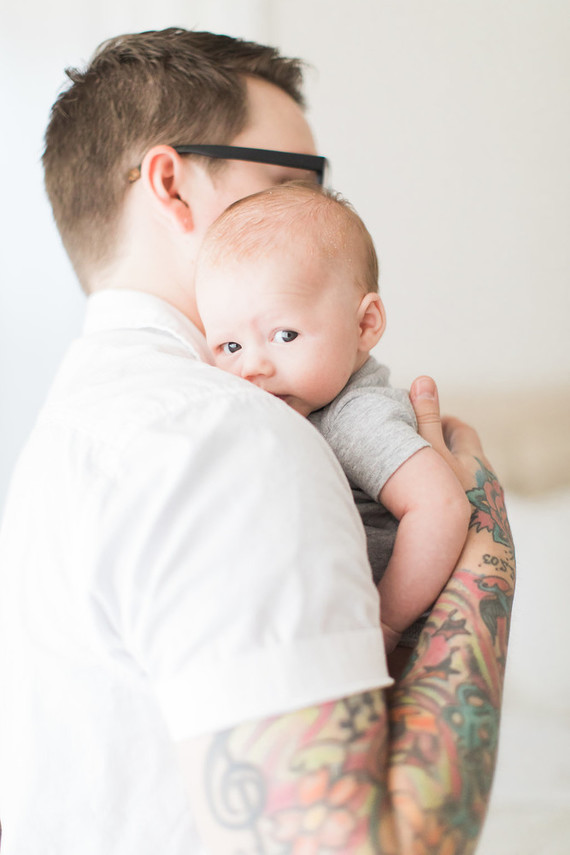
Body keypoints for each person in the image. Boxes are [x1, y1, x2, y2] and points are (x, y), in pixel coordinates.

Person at [0, 28, 515, 855]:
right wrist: (485, 539)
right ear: (171, 185)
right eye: (291, 181)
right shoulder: (229, 436)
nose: (314, 212)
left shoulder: (67, 438)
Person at [195, 182, 471, 654]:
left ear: (365, 325)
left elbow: (442, 507)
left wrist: (386, 621)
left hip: (395, 644)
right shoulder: (305, 405)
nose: (252, 366)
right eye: (231, 346)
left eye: (285, 334)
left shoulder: (355, 417)